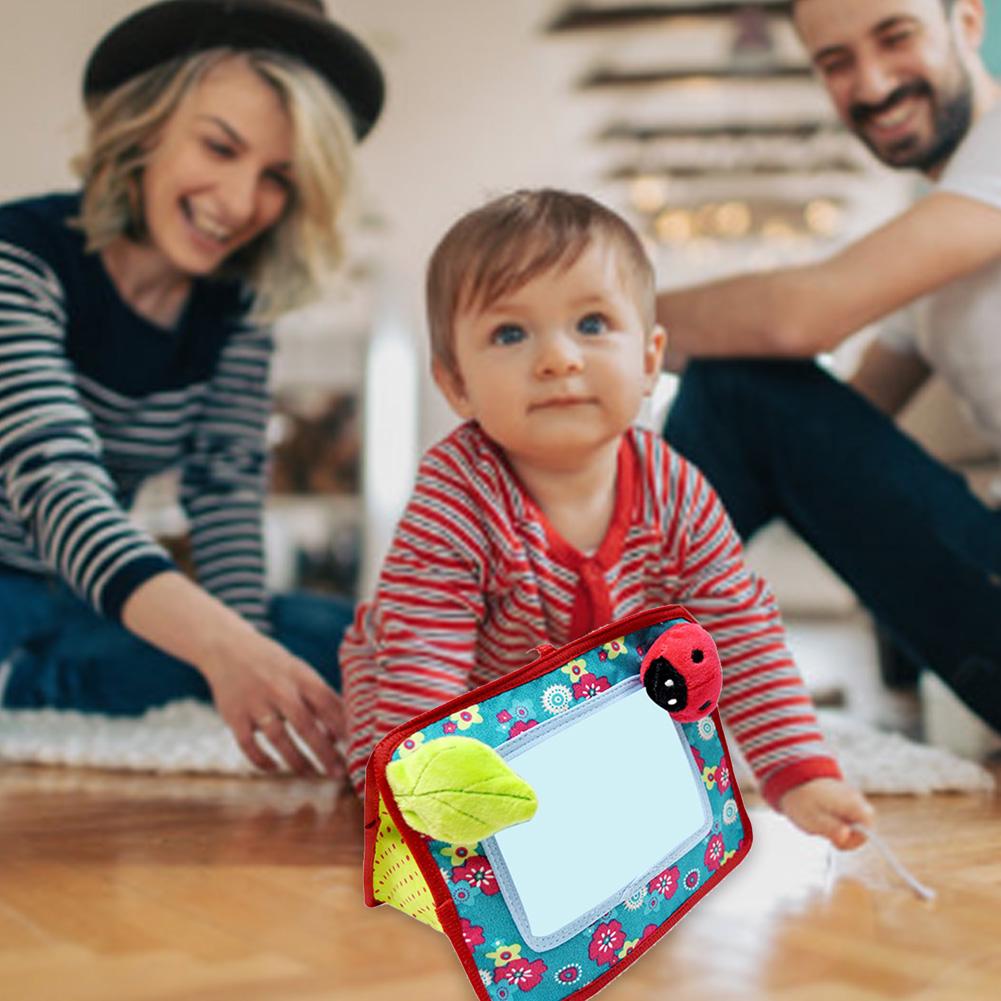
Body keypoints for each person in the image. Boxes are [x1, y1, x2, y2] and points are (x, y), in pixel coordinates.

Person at [339, 188, 875, 849]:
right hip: (447, 703)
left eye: (591, 324)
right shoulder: (456, 498)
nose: (558, 358)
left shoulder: (675, 488)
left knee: (658, 771)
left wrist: (798, 774)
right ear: (456, 385)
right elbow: (423, 654)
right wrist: (428, 790)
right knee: (395, 776)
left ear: (649, 361)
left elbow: (740, 630)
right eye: (510, 333)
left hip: (587, 710)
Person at [0, 0, 384, 778]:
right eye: (219, 146)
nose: (241, 204)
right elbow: (53, 483)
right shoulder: (19, 258)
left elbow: (225, 494)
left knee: (351, 637)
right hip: (22, 592)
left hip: (90, 599)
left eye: (276, 177)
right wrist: (224, 648)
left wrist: (248, 672)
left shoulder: (236, 310)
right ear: (146, 127)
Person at [658, 0, 1001, 735]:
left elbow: (800, 318)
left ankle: (571, 672)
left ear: (966, 22)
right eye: (835, 62)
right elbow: (832, 428)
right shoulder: (943, 217)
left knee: (733, 392)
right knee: (740, 398)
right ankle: (582, 649)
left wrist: (578, 320)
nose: (871, 84)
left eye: (894, 37)